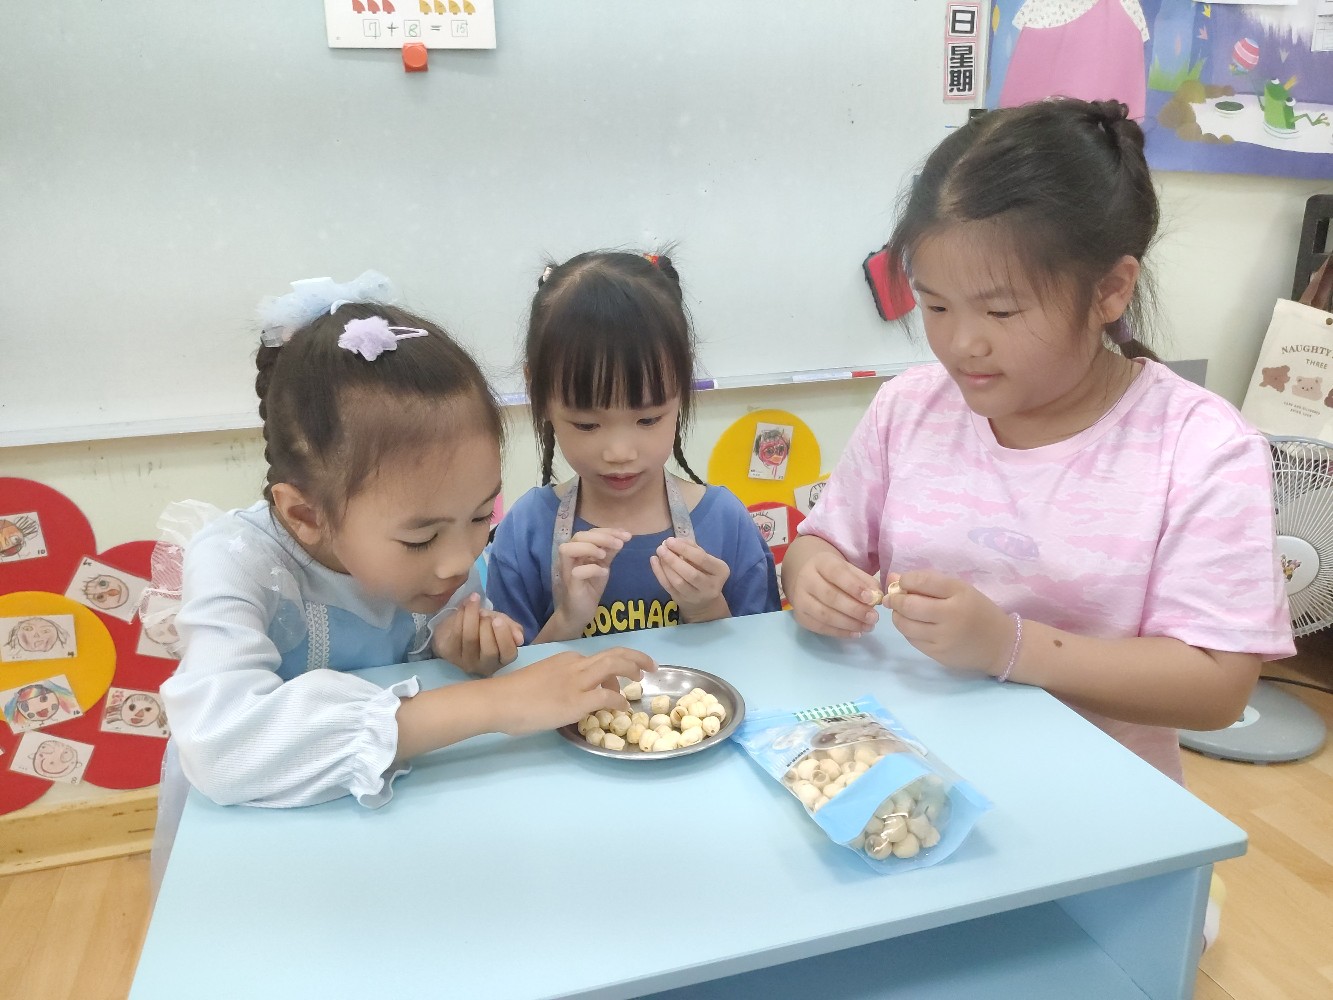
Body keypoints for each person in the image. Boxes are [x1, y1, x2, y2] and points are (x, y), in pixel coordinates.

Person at [784, 99, 1293, 790]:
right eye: (935, 306)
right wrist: (813, 578)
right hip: (904, 784)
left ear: (1110, 289)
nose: (962, 343)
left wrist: (1010, 646)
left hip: (1090, 795)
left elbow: (1217, 688)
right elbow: (821, 545)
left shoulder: (1200, 448)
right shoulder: (910, 407)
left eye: (1000, 310)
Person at [154, 274, 652, 888]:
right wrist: (493, 702)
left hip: (392, 829)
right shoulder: (236, 561)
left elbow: (435, 649)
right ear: (305, 515)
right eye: (420, 539)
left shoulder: (446, 560)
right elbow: (222, 745)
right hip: (266, 841)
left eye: (481, 517)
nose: (458, 561)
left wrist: (458, 647)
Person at [487, 251, 781, 644]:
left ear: (682, 387)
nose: (620, 453)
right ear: (536, 392)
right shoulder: (525, 532)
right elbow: (512, 678)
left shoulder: (726, 524)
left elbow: (765, 661)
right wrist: (567, 620)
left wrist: (708, 609)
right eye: (587, 424)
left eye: (648, 420)